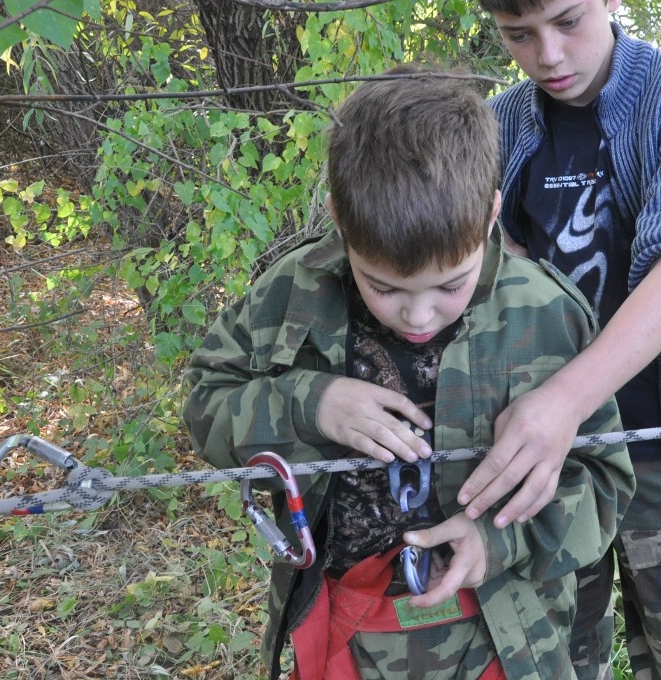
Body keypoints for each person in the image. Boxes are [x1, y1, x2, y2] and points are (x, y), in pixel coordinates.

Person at [181, 64, 635, 680]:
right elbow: (206, 405)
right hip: (346, 635)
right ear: (340, 220)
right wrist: (310, 404)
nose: (418, 316)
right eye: (384, 287)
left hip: (505, 643)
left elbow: (604, 481)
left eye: (450, 285)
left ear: (491, 214)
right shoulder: (291, 293)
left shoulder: (547, 313)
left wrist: (498, 541)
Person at [455, 1, 661, 679]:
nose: (548, 55)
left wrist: (565, 401)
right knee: (561, 654)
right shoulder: (498, 124)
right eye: (518, 35)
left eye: (568, 22)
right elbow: (478, 269)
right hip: (549, 462)